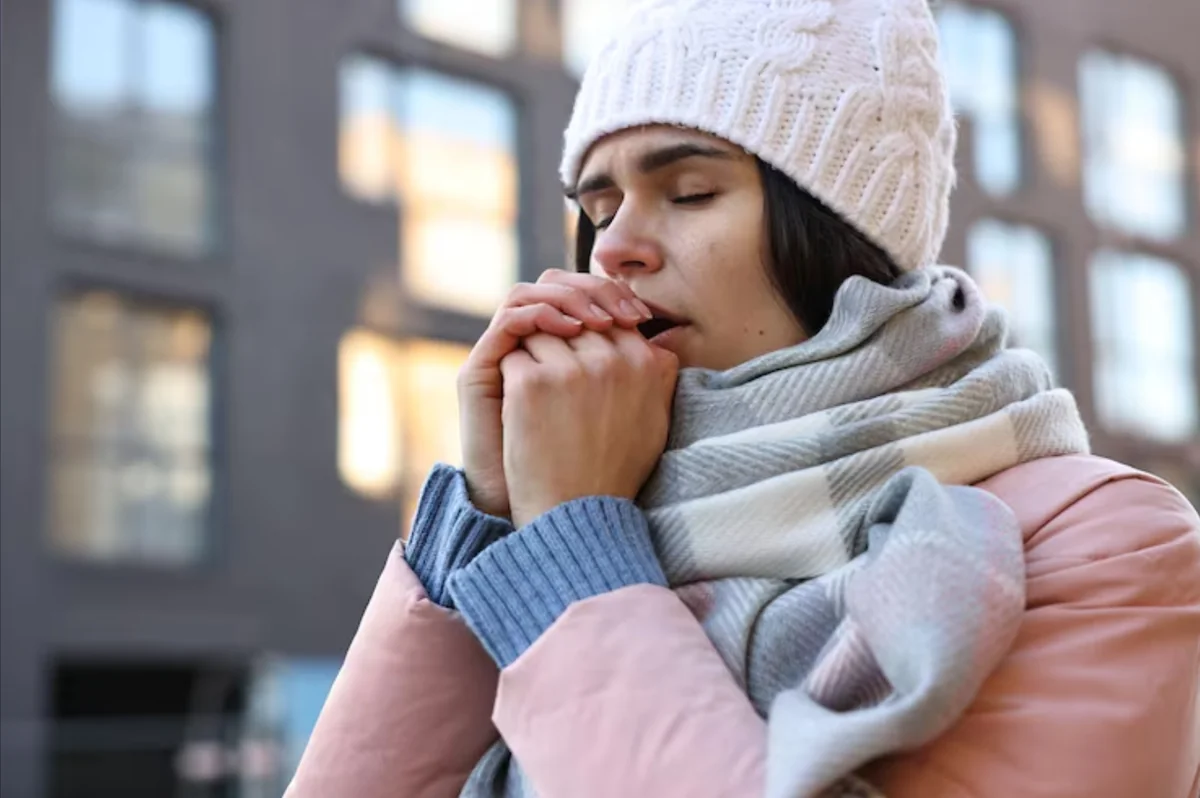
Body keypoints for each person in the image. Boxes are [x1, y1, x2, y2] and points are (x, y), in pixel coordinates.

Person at [287, 0, 1200, 796]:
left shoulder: (1106, 549)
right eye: (599, 212)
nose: (615, 250)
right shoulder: (596, 509)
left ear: (839, 229)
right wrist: (490, 518)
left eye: (688, 192)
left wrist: (575, 554)